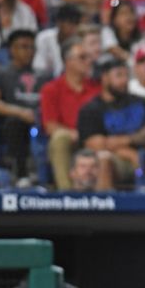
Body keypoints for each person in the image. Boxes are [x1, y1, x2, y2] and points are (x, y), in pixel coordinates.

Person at [77, 57, 145, 190]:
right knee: (104, 159)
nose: (124, 80)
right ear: (105, 78)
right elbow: (95, 144)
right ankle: (105, 205)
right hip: (117, 161)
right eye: (119, 75)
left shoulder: (142, 102)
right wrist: (129, 153)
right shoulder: (91, 109)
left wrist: (128, 140)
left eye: (126, 75)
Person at [39, 38, 101, 191]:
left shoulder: (98, 88)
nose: (88, 61)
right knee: (59, 138)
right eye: (82, 57)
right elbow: (51, 126)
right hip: (70, 139)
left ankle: (105, 199)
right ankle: (66, 195)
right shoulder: (51, 89)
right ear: (68, 61)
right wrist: (75, 134)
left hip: (96, 139)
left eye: (88, 57)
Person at [0, 29, 44, 180]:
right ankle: (21, 173)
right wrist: (20, 112)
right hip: (13, 121)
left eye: (32, 47)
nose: (29, 51)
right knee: (15, 123)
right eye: (24, 47)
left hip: (41, 120)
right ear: (12, 49)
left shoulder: (44, 75)